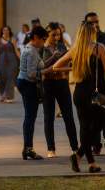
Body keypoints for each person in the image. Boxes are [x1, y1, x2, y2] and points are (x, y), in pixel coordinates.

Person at [53, 21, 105, 173]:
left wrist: (73, 68)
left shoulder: (75, 50)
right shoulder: (99, 48)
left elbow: (56, 66)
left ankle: (84, 159)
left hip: (80, 93)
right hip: (96, 94)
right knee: (99, 125)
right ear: (92, 32)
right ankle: (84, 159)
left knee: (85, 128)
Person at [41, 22, 78, 158]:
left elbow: (70, 64)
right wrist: (54, 58)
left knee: (68, 116)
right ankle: (51, 149)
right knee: (48, 117)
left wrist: (61, 67)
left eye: (58, 34)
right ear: (47, 35)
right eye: (53, 35)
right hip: (48, 85)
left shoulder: (63, 47)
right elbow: (40, 69)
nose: (56, 37)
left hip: (62, 83)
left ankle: (75, 148)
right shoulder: (42, 49)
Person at [84, 11, 105, 156]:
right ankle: (95, 145)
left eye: (96, 21)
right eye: (91, 23)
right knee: (91, 117)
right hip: (88, 85)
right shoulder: (82, 42)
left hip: (103, 83)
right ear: (86, 25)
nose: (95, 25)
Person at [17, 26, 49, 160]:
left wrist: (52, 58)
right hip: (27, 84)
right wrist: (47, 71)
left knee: (30, 117)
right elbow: (31, 74)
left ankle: (27, 148)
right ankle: (28, 148)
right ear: (35, 37)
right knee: (30, 117)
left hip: (25, 83)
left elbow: (40, 65)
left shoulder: (33, 49)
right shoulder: (31, 51)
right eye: (43, 39)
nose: (44, 42)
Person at [0, 26, 20, 103]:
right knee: (2, 79)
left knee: (10, 78)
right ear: (2, 31)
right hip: (1, 62)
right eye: (4, 30)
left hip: (12, 62)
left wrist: (22, 59)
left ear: (9, 31)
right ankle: (3, 94)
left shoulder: (13, 40)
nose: (5, 31)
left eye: (7, 30)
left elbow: (16, 51)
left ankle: (9, 96)